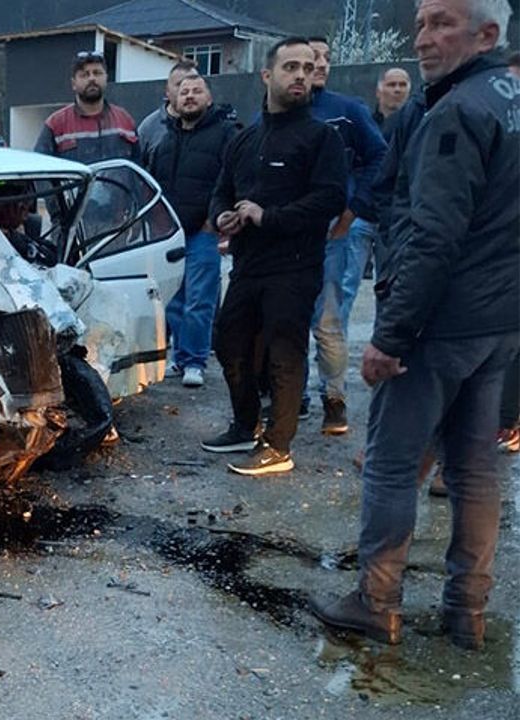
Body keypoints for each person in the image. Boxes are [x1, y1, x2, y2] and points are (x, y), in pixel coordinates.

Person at [310, 0, 517, 651]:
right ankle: (466, 612)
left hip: (440, 323)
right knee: (476, 469)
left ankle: (377, 601)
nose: (423, 37)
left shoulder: (456, 111)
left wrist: (391, 337)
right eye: (422, 22)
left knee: (393, 465)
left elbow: (433, 235)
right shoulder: (507, 99)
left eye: (442, 23)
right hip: (498, 322)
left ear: (487, 33)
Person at [200, 37, 346, 476]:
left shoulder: (322, 137)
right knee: (229, 342)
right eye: (291, 67)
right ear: (267, 75)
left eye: (307, 68)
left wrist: (269, 217)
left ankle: (278, 446)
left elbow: (329, 199)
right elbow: (221, 190)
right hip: (248, 263)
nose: (301, 75)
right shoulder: (245, 139)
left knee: (285, 352)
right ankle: (245, 425)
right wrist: (222, 216)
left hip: (295, 265)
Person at [300, 36, 388, 436]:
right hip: (286, 234)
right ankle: (291, 397)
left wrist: (353, 212)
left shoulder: (347, 111)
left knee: (328, 321)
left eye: (325, 57)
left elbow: (380, 158)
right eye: (311, 57)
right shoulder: (277, 111)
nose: (320, 63)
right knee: (287, 321)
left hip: (333, 234)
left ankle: (333, 400)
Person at [143, 73, 235, 388]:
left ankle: (195, 360)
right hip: (171, 235)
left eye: (197, 91)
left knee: (200, 300)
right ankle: (180, 358)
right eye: (184, 92)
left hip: (203, 231)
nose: (190, 96)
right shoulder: (166, 138)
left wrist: (215, 217)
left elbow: (230, 179)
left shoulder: (224, 134)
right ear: (173, 99)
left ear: (209, 99)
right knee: (174, 300)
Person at [34, 50, 138, 163]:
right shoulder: (56, 125)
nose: (92, 78)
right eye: (84, 75)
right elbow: (40, 168)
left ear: (106, 78)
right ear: (73, 83)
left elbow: (138, 167)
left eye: (97, 73)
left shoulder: (124, 121)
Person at [136, 59, 197, 158]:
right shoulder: (149, 128)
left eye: (194, 85)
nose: (188, 91)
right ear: (167, 91)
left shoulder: (214, 126)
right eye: (180, 84)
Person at [372, 67, 411, 135]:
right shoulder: (367, 126)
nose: (397, 89)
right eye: (391, 85)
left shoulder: (417, 126)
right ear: (378, 92)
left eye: (403, 85)